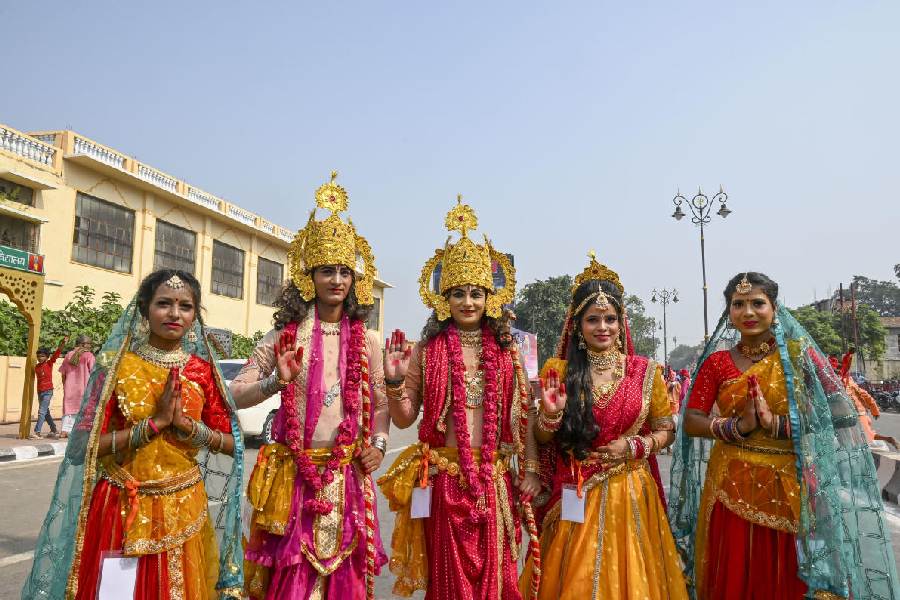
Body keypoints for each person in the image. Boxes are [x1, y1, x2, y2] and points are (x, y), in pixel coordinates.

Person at [670, 272, 900, 599]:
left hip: (789, 487)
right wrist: (736, 427)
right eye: (739, 304)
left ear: (774, 308)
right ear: (729, 312)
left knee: (785, 573)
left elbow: (839, 412)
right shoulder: (716, 364)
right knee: (734, 570)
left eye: (757, 303)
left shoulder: (798, 356)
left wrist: (776, 423)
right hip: (729, 486)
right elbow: (692, 420)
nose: (748, 312)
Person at [22, 269, 245, 600]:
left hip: (183, 506)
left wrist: (187, 427)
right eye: (164, 303)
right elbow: (80, 448)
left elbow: (233, 446)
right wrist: (153, 425)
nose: (174, 314)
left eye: (185, 306)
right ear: (144, 309)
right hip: (120, 506)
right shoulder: (114, 365)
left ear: (195, 314)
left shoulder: (201, 371)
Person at [231, 172, 389, 600]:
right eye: (326, 271)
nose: (336, 280)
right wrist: (273, 381)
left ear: (355, 279)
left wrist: (378, 440)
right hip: (293, 476)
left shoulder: (368, 340)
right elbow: (235, 392)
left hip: (346, 473)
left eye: (344, 272)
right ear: (309, 277)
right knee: (291, 582)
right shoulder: (286, 336)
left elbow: (379, 402)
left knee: (345, 580)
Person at [378, 197, 541, 599]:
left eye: (476, 293)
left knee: (497, 578)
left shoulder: (508, 353)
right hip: (444, 483)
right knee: (448, 585)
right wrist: (394, 382)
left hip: (494, 480)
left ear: (490, 297)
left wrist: (532, 468)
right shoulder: (427, 351)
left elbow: (525, 419)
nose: (468, 302)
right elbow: (403, 420)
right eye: (458, 294)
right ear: (442, 299)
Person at [518, 252, 687, 600]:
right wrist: (550, 415)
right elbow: (542, 437)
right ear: (578, 325)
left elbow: (666, 428)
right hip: (576, 487)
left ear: (621, 322)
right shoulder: (560, 370)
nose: (603, 327)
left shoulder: (645, 372)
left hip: (631, 492)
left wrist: (635, 446)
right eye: (593, 319)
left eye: (609, 318)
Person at [31, 336, 68, 439]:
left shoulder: (49, 363)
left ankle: (37, 432)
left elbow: (57, 353)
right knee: (45, 412)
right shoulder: (37, 367)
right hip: (40, 391)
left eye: (42, 356)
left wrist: (63, 343)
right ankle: (53, 429)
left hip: (48, 391)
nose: (40, 358)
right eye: (38, 356)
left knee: (41, 411)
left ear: (47, 357)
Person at [59, 335, 95, 438]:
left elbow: (63, 373)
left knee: (68, 409)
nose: (90, 346)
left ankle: (65, 431)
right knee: (82, 409)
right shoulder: (89, 356)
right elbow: (93, 373)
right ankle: (78, 432)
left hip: (69, 388)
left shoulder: (69, 355)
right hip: (84, 388)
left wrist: (65, 385)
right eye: (89, 344)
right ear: (84, 344)